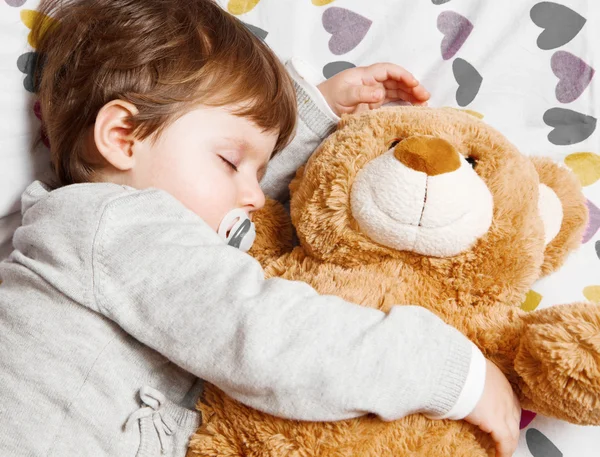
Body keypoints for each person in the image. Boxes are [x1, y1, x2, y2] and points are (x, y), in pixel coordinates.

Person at [0, 1, 520, 456]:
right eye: (231, 160)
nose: (254, 193)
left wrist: (312, 114)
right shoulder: (114, 224)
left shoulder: (116, 230)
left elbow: (230, 217)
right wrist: (449, 371)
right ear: (122, 135)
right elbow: (268, 337)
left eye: (262, 169)